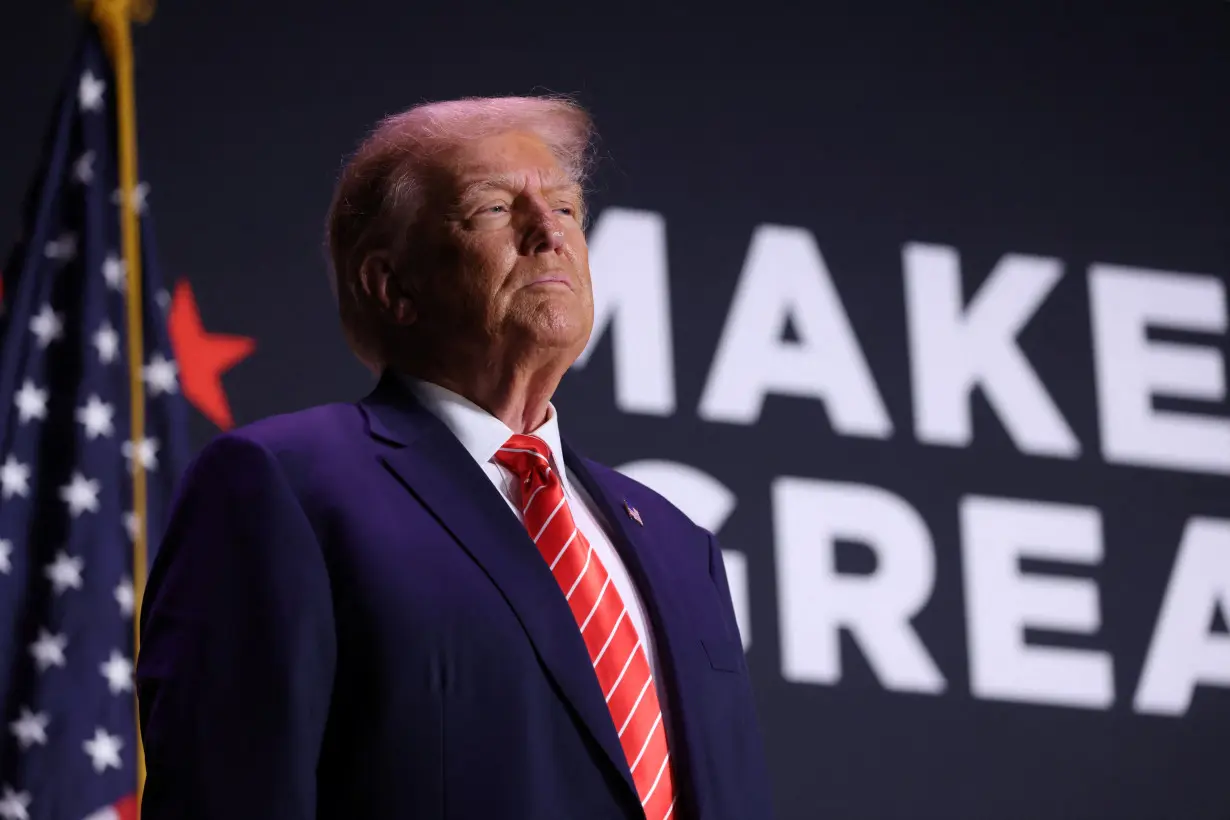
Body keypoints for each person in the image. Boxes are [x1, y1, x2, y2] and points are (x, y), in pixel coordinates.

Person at [135, 95, 773, 820]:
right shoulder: (286, 485)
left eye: (565, 210)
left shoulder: (678, 543)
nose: (548, 234)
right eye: (495, 210)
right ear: (392, 284)